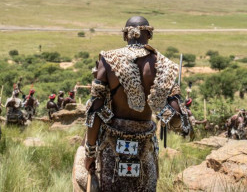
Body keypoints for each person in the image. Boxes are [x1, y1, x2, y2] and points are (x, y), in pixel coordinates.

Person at [81, 16, 192, 192]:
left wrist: (90, 153)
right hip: (145, 145)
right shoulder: (165, 65)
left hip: (111, 145)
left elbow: (94, 109)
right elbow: (177, 117)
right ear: (148, 34)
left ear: (126, 36)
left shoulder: (108, 60)